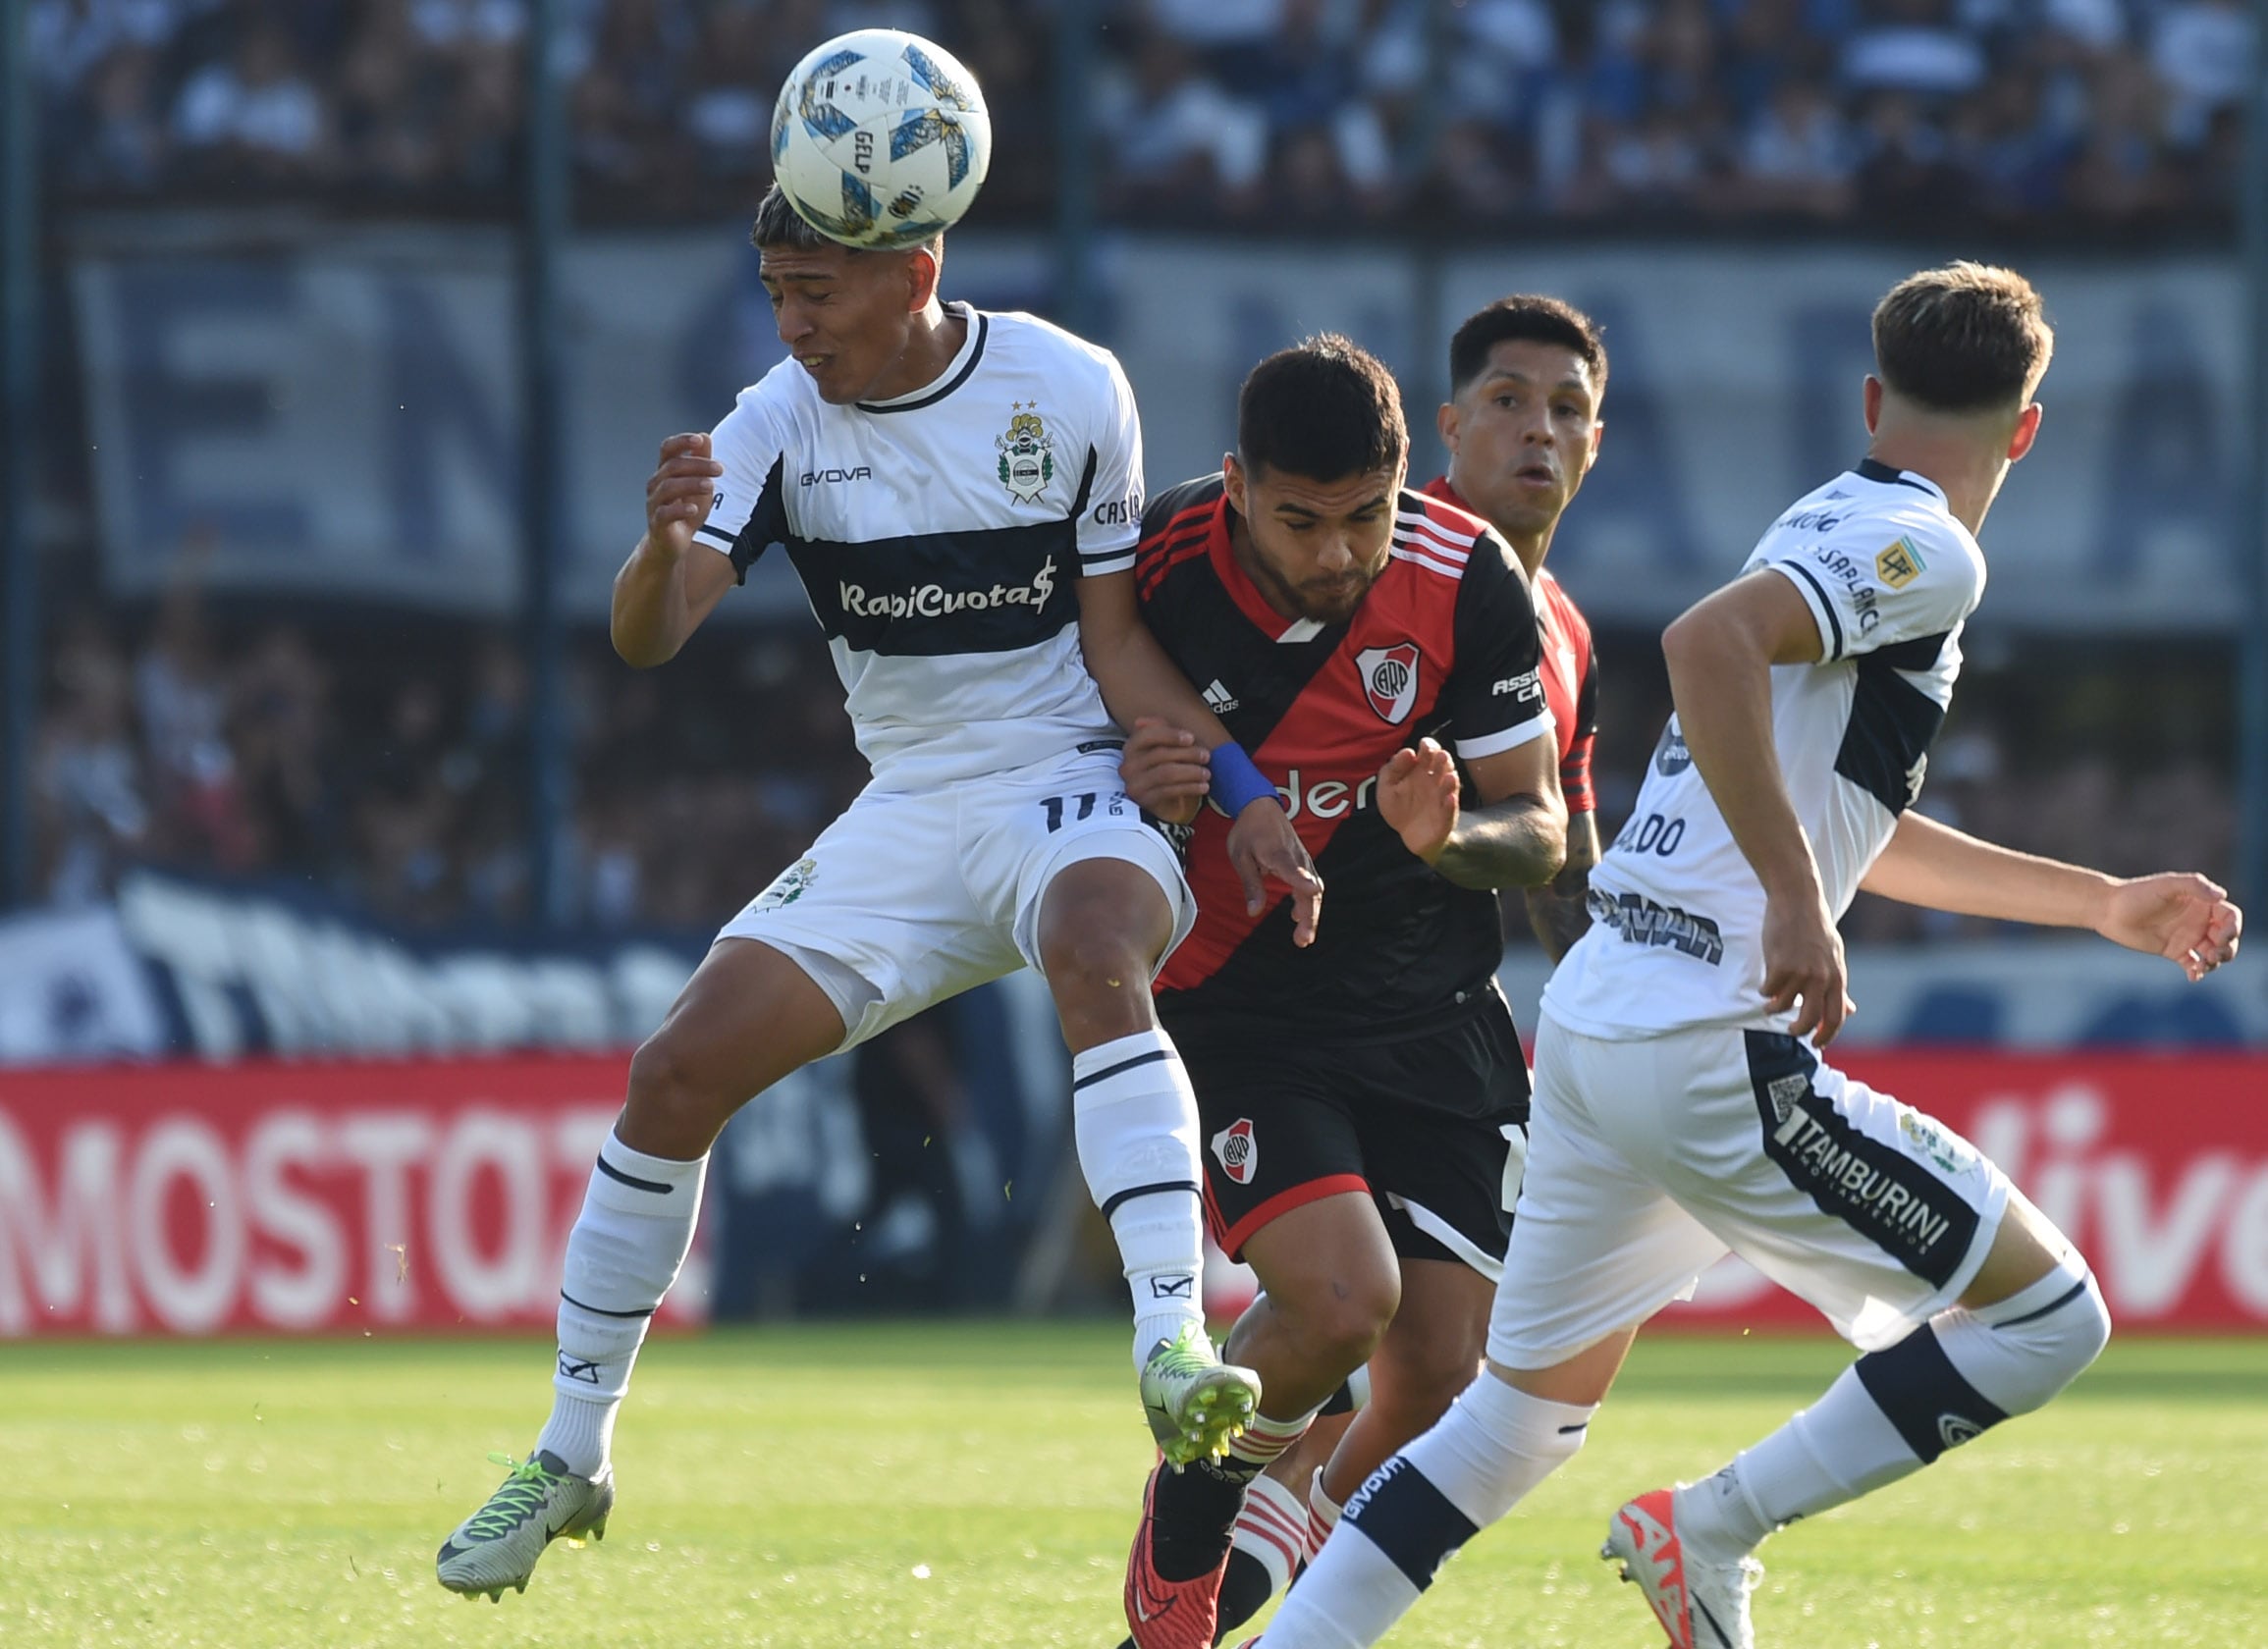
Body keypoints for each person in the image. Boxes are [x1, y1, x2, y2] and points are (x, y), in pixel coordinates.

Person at [1239, 263, 2242, 1649]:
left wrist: (2097, 903)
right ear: (2025, 430)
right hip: (1704, 1041)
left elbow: (1846, 817)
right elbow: (1709, 644)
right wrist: (1787, 900)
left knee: (1513, 1423)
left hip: (1600, 1028)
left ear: (1874, 399)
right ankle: (1707, 1526)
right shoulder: (1928, 545)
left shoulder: (1826, 520)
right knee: (2051, 1318)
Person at [434, 160, 1325, 1601]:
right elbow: (647, 640)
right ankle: (572, 1453)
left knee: (1100, 946)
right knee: (673, 1073)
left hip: (1071, 780)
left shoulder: (1067, 385)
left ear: (912, 275)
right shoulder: (772, 426)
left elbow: (1114, 643)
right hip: (908, 815)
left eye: (818, 293)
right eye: (777, 293)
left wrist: (1238, 793)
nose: (792, 324)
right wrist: (660, 551)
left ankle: (1172, 1338)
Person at [1110, 334, 1568, 1649]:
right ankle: (1189, 1534)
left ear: (1403, 482)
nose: (1334, 552)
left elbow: (1534, 829)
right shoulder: (1153, 569)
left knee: (1435, 1372)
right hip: (1242, 1003)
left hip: (1430, 1011)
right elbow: (1063, 756)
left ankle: (1263, 1534)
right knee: (1338, 1301)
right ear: (1234, 485)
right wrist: (1131, 789)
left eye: (1364, 516)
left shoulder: (1463, 578)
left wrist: (1447, 843)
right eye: (1301, 521)